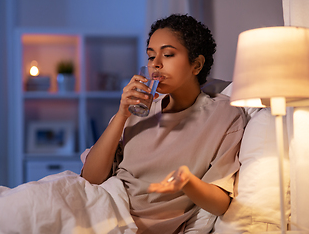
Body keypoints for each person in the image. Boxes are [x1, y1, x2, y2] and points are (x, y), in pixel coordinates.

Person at [81, 14, 246, 233]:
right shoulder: (137, 110)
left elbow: (220, 203)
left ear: (196, 65)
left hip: (136, 225)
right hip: (102, 206)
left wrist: (187, 182)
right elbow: (89, 178)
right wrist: (121, 115)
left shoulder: (224, 115)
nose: (155, 64)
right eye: (150, 56)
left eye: (168, 54)